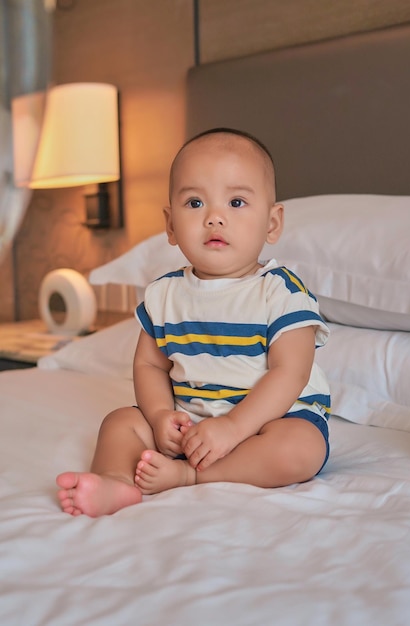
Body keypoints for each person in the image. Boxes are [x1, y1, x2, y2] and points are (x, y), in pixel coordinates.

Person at [56, 127, 331, 517]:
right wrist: (159, 416)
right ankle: (115, 481)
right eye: (195, 202)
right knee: (120, 422)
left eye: (236, 202)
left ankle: (190, 476)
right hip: (191, 420)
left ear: (272, 224)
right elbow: (149, 364)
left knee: (301, 448)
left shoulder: (282, 293)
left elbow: (291, 373)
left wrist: (233, 428)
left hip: (265, 422)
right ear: (170, 225)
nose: (214, 218)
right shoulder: (164, 295)